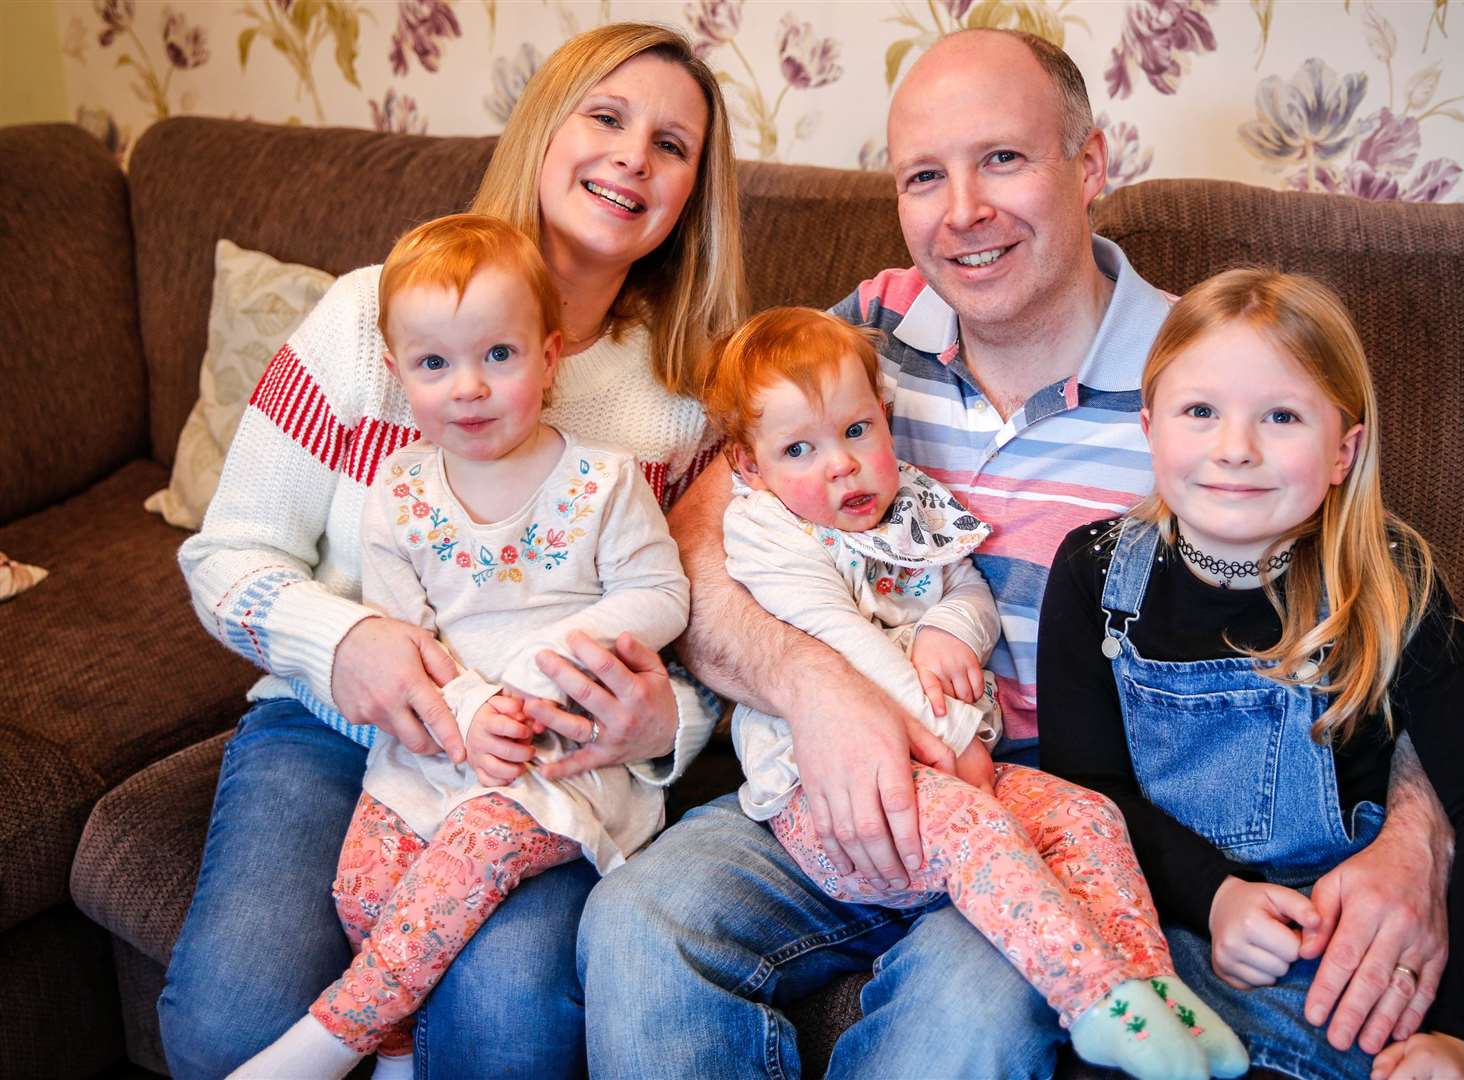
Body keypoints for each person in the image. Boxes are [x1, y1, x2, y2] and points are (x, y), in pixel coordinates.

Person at [580, 28, 1456, 1079]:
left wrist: (1418, 838)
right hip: (828, 768)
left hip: (1045, 805)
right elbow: (701, 547)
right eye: (923, 176)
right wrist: (819, 692)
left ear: (1087, 167)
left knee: (969, 1009)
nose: (960, 213)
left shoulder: (1211, 379)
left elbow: (1404, 626)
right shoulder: (856, 334)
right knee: (636, 924)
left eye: (1000, 158)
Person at [164, 23, 745, 1076]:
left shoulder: (680, 410)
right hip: (329, 728)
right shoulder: (364, 318)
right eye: (606, 117)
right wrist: (347, 643)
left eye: (672, 146)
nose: (632, 157)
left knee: (504, 1028)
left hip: (539, 767)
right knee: (224, 1025)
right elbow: (223, 558)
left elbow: (707, 633)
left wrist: (672, 725)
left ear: (690, 197)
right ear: (543, 128)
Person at [1036, 268, 1464, 1079]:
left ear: (1344, 450)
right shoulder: (1094, 575)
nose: (1235, 447)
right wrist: (1215, 896)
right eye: (1200, 411)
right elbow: (1087, 793)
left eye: (1281, 416)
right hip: (1150, 927)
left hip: (1321, 949)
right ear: (1149, 427)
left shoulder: (1391, 586)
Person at [703, 305, 1247, 1080]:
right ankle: (1095, 1003)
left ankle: (1151, 982)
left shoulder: (909, 505)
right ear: (750, 466)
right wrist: (950, 739)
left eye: (857, 431)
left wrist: (948, 630)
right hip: (831, 793)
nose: (841, 466)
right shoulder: (768, 530)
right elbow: (845, 643)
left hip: (960, 767)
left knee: (1087, 816)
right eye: (798, 449)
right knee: (974, 830)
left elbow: (968, 589)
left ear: (883, 417)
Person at [231, 214, 690, 1078]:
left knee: (474, 850)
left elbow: (663, 594)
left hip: (565, 760)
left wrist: (553, 654)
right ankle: (401, 1054)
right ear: (400, 375)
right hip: (440, 743)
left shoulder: (603, 482)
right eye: (435, 365)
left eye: (499, 357)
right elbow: (407, 640)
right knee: (364, 885)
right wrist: (472, 712)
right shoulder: (400, 494)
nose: (468, 388)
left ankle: (327, 1043)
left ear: (549, 358)